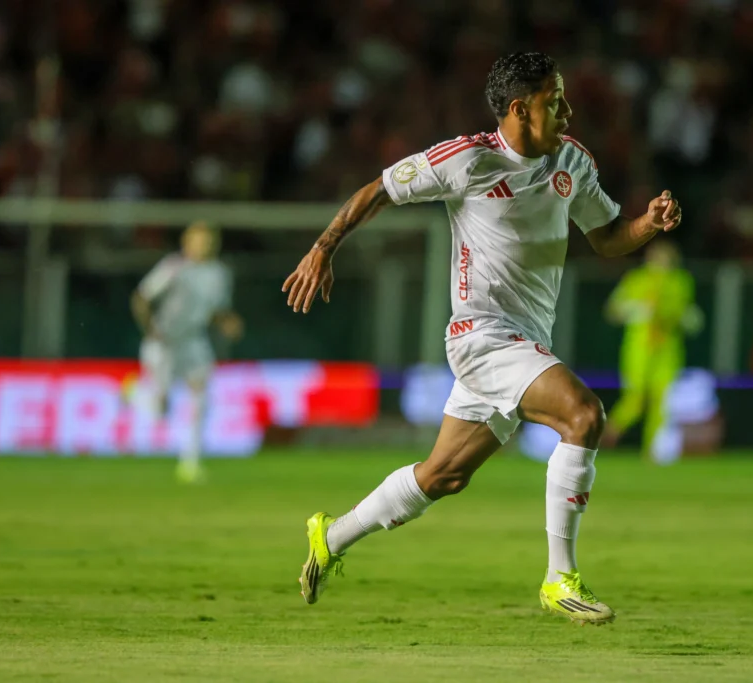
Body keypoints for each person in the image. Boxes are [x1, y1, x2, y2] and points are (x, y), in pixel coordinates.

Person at [281, 52, 682, 624]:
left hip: (525, 341)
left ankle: (332, 535)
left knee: (443, 475)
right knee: (583, 415)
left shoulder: (573, 161)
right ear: (520, 109)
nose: (568, 112)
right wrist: (324, 247)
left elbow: (608, 236)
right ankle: (559, 577)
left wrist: (649, 223)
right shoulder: (467, 159)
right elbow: (380, 189)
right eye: (555, 102)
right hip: (482, 336)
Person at [131, 221, 243, 483]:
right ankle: (131, 394)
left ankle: (190, 463)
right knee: (161, 409)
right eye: (199, 240)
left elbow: (215, 310)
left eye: (208, 241)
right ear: (187, 243)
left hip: (193, 340)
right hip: (165, 341)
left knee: (201, 395)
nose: (204, 246)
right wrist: (150, 330)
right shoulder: (174, 267)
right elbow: (141, 298)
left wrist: (227, 322)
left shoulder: (219, 274)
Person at [600, 241, 700, 457]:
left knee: (662, 402)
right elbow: (613, 310)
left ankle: (653, 452)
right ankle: (607, 434)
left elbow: (685, 313)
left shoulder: (681, 281)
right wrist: (637, 310)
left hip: (668, 350)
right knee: (634, 399)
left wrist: (683, 318)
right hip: (639, 348)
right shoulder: (636, 279)